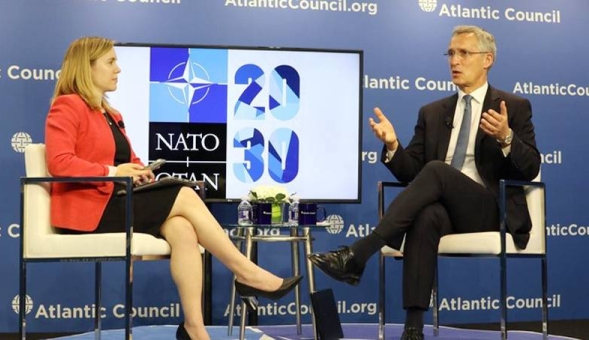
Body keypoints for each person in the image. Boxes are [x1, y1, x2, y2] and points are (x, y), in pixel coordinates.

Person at [44, 36, 301, 340]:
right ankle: (245, 272)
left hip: (119, 200)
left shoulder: (111, 114)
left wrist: (142, 172)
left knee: (182, 228)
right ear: (87, 68)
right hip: (91, 211)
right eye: (111, 62)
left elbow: (130, 159)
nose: (119, 69)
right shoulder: (67, 105)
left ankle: (194, 328)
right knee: (183, 193)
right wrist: (113, 172)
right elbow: (58, 163)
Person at [308, 25, 540, 340]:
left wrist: (506, 137)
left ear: (487, 60)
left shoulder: (512, 107)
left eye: (464, 53)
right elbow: (410, 174)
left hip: (489, 208)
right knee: (426, 214)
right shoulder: (432, 112)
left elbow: (530, 168)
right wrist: (392, 146)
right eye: (451, 53)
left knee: (435, 171)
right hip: (443, 207)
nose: (454, 61)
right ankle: (413, 328)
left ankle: (359, 253)